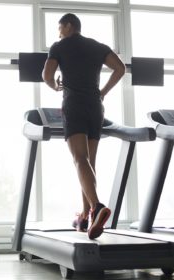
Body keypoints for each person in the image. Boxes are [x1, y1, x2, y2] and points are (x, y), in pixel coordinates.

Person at [42, 13, 125, 239]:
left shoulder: (59, 46)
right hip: (95, 107)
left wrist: (54, 86)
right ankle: (87, 216)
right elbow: (120, 69)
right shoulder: (97, 46)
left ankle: (97, 207)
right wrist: (103, 92)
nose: (59, 33)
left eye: (60, 28)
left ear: (69, 26)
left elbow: (46, 75)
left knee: (80, 159)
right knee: (88, 163)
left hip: (74, 105)